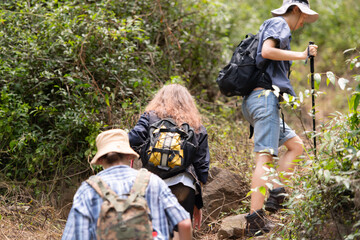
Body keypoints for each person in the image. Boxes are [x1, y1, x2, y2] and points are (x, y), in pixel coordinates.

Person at [241, 0, 319, 236]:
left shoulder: (276, 25)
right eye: (303, 16)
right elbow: (266, 51)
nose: (303, 21)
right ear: (295, 10)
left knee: (296, 146)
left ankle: (276, 193)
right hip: (264, 100)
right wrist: (301, 54)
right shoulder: (279, 23)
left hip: (258, 101)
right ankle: (254, 220)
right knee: (264, 158)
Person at [61, 129, 192, 240]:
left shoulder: (87, 190)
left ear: (100, 160)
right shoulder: (153, 182)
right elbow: (185, 224)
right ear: (130, 156)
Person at [128, 84, 210, 237]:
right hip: (184, 184)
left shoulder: (149, 116)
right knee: (180, 231)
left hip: (152, 182)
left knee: (154, 231)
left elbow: (132, 139)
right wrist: (197, 203)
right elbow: (202, 166)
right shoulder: (196, 124)